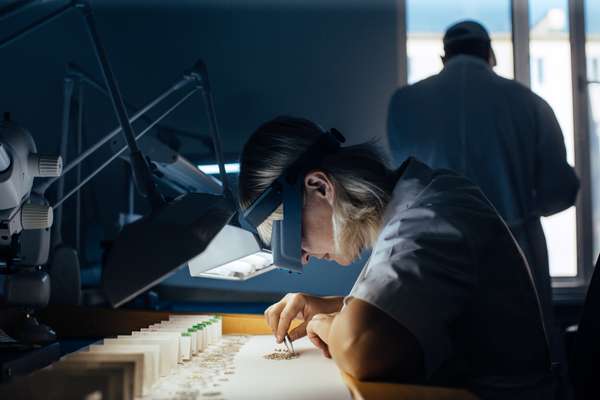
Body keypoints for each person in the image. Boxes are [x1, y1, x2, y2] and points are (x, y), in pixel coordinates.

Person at [238, 116, 552, 399]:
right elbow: (424, 303)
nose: (302, 259)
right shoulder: (424, 196)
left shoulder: (427, 220)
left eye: (291, 240)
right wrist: (334, 305)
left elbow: (360, 347)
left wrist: (324, 323)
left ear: (320, 187)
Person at [386, 20, 579, 350]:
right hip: (514, 258)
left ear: (444, 57)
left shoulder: (404, 102)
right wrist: (520, 201)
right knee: (521, 362)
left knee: (440, 357)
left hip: (429, 257)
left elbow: (402, 184)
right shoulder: (529, 103)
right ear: (491, 54)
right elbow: (559, 190)